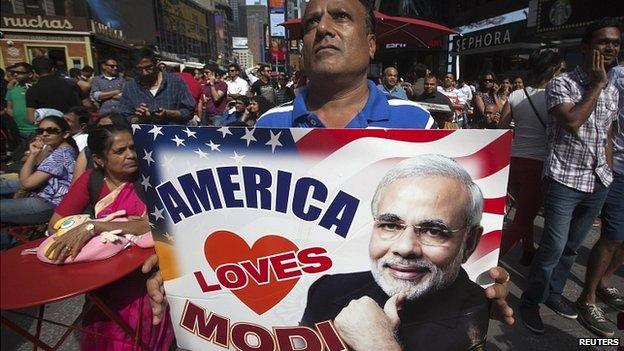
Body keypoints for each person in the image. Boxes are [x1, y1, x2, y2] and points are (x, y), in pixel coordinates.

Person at [144, 0, 514, 329]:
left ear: (371, 44)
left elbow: (447, 222)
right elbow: (237, 219)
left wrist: (478, 284)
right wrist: (180, 265)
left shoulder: (416, 123)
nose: (323, 28)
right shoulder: (271, 125)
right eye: (311, 23)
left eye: (341, 17)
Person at [300, 154, 490, 351]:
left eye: (433, 231)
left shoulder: (487, 318)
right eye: (390, 225)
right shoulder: (326, 290)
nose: (405, 247)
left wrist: (378, 345)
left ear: (469, 242)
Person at [520, 18, 620, 336]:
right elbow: (573, 121)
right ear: (585, 48)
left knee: (573, 247)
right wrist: (597, 85)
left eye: (616, 43)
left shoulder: (614, 89)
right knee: (552, 246)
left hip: (598, 181)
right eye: (604, 42)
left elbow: (607, 132)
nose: (611, 48)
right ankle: (530, 302)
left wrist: (606, 169)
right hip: (564, 179)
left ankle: (553, 293)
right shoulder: (561, 84)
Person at [44, 124, 174, 350]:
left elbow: (156, 225)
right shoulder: (90, 181)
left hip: (144, 274)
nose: (131, 155)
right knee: (109, 332)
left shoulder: (149, 177)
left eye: (133, 148)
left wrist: (97, 226)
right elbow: (56, 224)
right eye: (120, 151)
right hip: (104, 277)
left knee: (143, 331)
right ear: (99, 159)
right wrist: (83, 229)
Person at [498, 50, 565, 265]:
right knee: (523, 218)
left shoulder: (516, 95)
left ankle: (527, 250)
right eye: (562, 70)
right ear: (553, 70)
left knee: (524, 211)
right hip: (538, 164)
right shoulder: (557, 97)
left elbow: (501, 128)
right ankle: (489, 262)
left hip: (514, 160)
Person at [576, 44, 623, 337]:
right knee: (613, 236)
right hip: (619, 168)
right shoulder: (617, 76)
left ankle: (604, 282)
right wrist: (605, 166)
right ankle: (587, 298)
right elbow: (603, 124)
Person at [0, 116, 77, 248]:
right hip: (42, 196)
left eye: (51, 130)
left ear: (65, 134)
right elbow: (30, 173)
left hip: (47, 204)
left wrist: (32, 154)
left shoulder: (59, 155)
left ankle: (8, 245)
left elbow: (27, 182)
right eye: (40, 131)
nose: (45, 134)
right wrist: (38, 152)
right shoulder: (59, 149)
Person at [119, 47, 195, 125]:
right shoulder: (130, 87)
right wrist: (139, 119)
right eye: (139, 69)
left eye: (148, 68)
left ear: (156, 63)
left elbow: (189, 111)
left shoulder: (175, 82)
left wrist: (168, 113)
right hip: (144, 135)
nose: (144, 73)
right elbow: (124, 116)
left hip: (172, 134)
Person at [26, 57, 82, 123]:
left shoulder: (32, 90)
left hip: (50, 129)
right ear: (53, 69)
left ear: (34, 72)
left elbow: (31, 118)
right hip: (73, 124)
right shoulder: (71, 84)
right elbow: (86, 104)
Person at [5, 62, 36, 139]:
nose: (15, 75)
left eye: (19, 72)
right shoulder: (12, 89)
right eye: (14, 72)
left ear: (30, 74)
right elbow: (9, 107)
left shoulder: (37, 87)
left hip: (36, 130)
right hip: (19, 131)